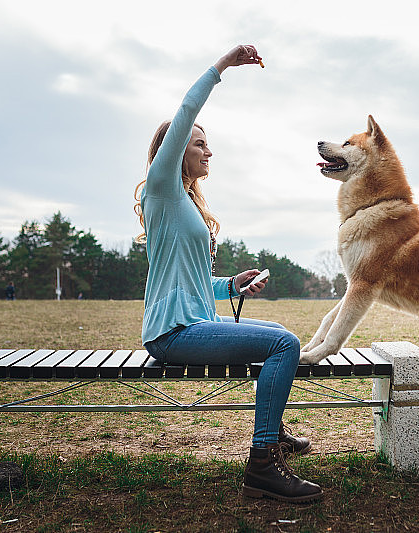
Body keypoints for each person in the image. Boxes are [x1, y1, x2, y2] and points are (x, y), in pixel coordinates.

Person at [133, 45, 322, 503]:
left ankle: (271, 435)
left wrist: (233, 284)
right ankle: (262, 463)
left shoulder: (184, 203)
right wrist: (223, 65)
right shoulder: (162, 189)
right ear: (173, 151)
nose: (208, 150)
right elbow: (185, 110)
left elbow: (197, 283)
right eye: (199, 143)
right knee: (284, 344)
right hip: (173, 333)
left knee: (279, 332)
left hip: (196, 323)